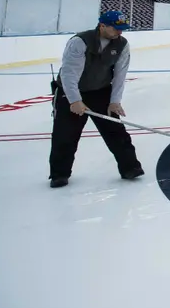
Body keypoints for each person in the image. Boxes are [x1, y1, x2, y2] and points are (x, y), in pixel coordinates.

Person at [48, 10, 144, 188]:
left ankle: (130, 167)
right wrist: (74, 100)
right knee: (65, 134)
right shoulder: (80, 42)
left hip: (101, 91)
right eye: (116, 29)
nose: (120, 32)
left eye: (122, 29)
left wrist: (114, 101)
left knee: (116, 131)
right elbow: (69, 74)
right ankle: (59, 174)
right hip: (69, 91)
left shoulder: (122, 44)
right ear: (102, 26)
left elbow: (120, 74)